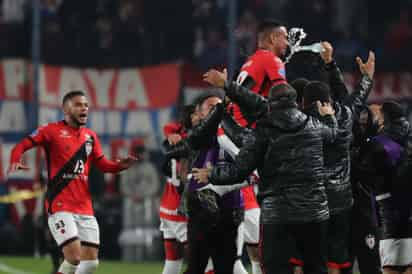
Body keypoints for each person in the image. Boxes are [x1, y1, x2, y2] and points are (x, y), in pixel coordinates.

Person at [193, 83, 338, 274]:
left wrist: (211, 174)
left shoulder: (263, 130)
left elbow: (239, 170)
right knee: (316, 268)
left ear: (271, 104)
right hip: (315, 213)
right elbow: (333, 133)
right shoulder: (314, 125)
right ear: (296, 102)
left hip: (278, 213)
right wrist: (329, 116)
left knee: (274, 268)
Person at [7, 90, 137, 274]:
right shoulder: (50, 130)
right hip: (60, 205)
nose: (84, 108)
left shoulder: (90, 136)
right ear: (66, 109)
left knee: (91, 263)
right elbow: (22, 145)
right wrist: (15, 159)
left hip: (84, 207)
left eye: (86, 105)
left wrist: (120, 166)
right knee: (75, 257)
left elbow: (104, 165)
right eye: (78, 104)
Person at [358, 101, 411, 274]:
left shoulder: (380, 143)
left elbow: (366, 174)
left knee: (390, 265)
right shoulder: (408, 136)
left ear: (384, 119)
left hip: (390, 208)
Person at [120, 139, 160, 261]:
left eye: (140, 152)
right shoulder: (127, 167)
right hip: (131, 205)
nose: (139, 155)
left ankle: (150, 257)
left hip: (148, 204)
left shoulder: (150, 168)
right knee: (130, 231)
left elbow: (155, 185)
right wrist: (133, 195)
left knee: (148, 231)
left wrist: (143, 196)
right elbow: (123, 186)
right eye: (136, 152)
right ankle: (129, 258)